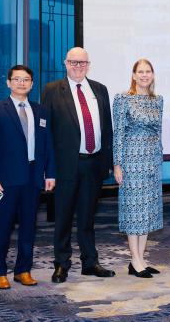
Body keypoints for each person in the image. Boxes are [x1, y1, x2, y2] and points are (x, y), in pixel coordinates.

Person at [42, 47, 115, 283]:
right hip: (66, 166)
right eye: (73, 62)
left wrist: (109, 162)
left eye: (82, 62)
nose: (78, 66)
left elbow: (107, 129)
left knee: (87, 217)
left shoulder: (100, 89)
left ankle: (90, 262)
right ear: (65, 63)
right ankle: (61, 264)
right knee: (63, 217)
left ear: (88, 64)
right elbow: (47, 133)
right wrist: (48, 168)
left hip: (93, 163)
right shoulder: (52, 90)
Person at [0, 65, 56, 289]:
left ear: (32, 84)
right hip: (5, 179)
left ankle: (23, 270)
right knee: (2, 227)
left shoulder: (41, 111)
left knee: (28, 227)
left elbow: (48, 145)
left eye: (26, 80)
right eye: (16, 79)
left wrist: (50, 173)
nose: (21, 83)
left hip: (33, 177)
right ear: (8, 82)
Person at [112, 59, 164, 278]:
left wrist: (159, 158)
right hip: (131, 162)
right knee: (134, 213)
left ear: (152, 75)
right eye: (140, 72)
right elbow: (119, 133)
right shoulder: (123, 99)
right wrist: (117, 164)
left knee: (147, 213)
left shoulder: (158, 100)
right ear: (133, 75)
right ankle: (135, 259)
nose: (144, 75)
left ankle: (140, 258)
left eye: (148, 71)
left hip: (152, 162)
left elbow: (158, 132)